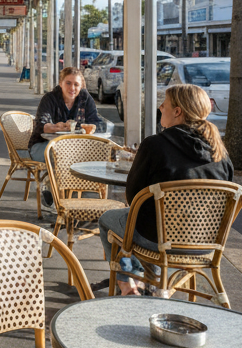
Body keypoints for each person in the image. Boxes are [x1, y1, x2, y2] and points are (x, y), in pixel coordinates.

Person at [97, 83, 234, 295]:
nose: (161, 107)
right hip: (205, 243)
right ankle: (152, 281)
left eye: (164, 104)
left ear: (177, 111)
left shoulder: (155, 145)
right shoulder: (220, 153)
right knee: (143, 221)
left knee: (109, 220)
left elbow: (133, 197)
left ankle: (127, 283)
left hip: (157, 239)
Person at [27, 67, 105, 212]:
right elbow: (41, 126)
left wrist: (90, 127)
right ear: (61, 83)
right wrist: (57, 127)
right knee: (62, 155)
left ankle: (74, 199)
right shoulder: (50, 98)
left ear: (81, 85)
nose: (72, 88)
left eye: (76, 84)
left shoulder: (85, 98)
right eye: (68, 83)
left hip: (74, 149)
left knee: (88, 156)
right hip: (42, 146)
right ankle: (59, 196)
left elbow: (98, 122)